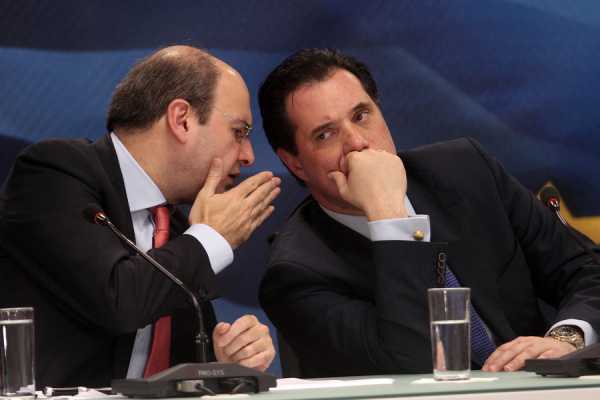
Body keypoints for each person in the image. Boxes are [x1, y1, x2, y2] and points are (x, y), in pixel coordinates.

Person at [257, 48, 600, 378]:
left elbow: (585, 270)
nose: (357, 142)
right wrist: (389, 216)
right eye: (326, 134)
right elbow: (412, 364)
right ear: (295, 163)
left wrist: (566, 339)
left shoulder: (466, 171)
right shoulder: (296, 277)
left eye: (361, 116)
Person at [0, 46, 279, 387]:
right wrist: (210, 238)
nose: (249, 155)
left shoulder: (178, 229)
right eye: (239, 131)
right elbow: (119, 302)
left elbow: (174, 372)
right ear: (182, 119)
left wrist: (223, 363)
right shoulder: (52, 175)